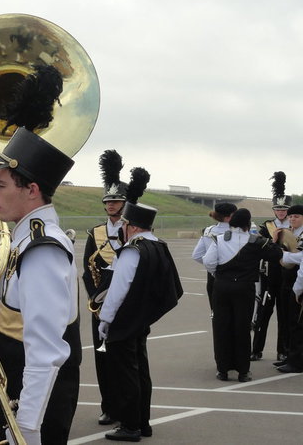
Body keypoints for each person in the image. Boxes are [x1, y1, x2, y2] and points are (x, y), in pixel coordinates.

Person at [0, 64, 82, 445]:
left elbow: (45, 351)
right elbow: (6, 329)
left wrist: (29, 427)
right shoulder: (23, 241)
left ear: (31, 190)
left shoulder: (41, 248)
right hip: (13, 395)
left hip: (33, 407)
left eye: (0, 184)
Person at [97, 174, 183, 442]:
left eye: (124, 224)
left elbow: (117, 291)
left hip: (125, 320)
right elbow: (172, 288)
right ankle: (142, 422)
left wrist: (105, 320)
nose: (121, 227)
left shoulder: (132, 249)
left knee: (126, 374)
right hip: (141, 319)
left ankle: (130, 425)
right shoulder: (157, 246)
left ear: (132, 227)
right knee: (140, 372)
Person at [202, 209, 282, 382]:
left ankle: (222, 369)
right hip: (245, 288)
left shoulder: (220, 239)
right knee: (242, 328)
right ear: (248, 224)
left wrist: (220, 276)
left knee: (222, 326)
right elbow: (277, 254)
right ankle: (243, 371)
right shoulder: (256, 241)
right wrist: (275, 241)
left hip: (222, 287)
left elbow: (208, 261)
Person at [82, 149, 128, 427]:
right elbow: (88, 268)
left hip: (125, 297)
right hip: (100, 297)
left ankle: (127, 407)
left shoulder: (133, 228)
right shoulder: (95, 232)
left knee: (124, 356)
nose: (111, 205)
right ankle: (108, 406)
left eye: (116, 200)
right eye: (108, 201)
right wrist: (94, 296)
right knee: (103, 355)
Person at [252, 172, 292, 362]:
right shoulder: (265, 227)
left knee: (284, 315)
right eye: (278, 209)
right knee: (263, 313)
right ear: (274, 210)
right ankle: (256, 348)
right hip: (270, 274)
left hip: (287, 274)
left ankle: (282, 349)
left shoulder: (295, 227)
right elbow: (260, 250)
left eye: (284, 209)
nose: (281, 212)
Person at [192, 202, 237, 313]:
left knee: (217, 317)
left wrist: (212, 267)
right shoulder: (237, 231)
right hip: (235, 278)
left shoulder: (208, 231)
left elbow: (197, 255)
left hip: (213, 278)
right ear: (229, 217)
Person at [275, 204, 303, 373]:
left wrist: (283, 255)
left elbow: (301, 258)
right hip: (288, 280)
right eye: (291, 216)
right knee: (287, 320)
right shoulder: (291, 233)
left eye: (297, 216)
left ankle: (296, 361)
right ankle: (289, 355)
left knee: (297, 324)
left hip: (298, 283)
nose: (292, 219)